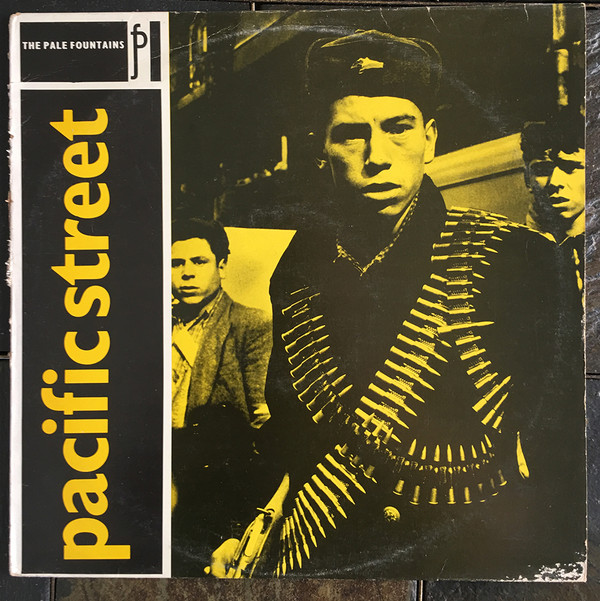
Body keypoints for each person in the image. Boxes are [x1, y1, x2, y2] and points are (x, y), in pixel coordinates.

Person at [211, 30, 585, 580]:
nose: (377, 158)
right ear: (321, 147)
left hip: (461, 555)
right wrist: (251, 521)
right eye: (351, 135)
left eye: (398, 129)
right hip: (328, 552)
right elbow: (291, 429)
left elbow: (562, 456)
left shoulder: (521, 260)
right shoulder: (298, 268)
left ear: (430, 139)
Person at [171, 218, 272, 575]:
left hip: (217, 483)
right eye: (176, 263)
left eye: (199, 262)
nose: (186, 273)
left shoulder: (250, 324)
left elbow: (261, 420)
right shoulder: (154, 323)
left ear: (222, 266)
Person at [521, 113, 585, 292]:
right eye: (542, 170)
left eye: (570, 167)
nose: (555, 182)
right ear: (527, 179)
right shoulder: (513, 254)